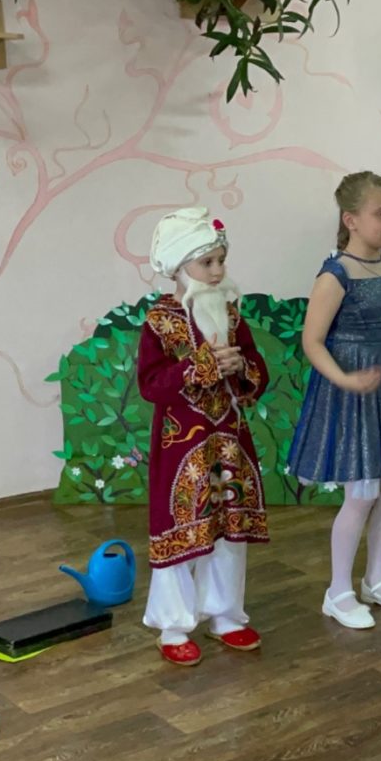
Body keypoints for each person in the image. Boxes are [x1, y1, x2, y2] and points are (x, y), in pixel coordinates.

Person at [288, 171, 381, 630]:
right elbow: (312, 341)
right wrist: (344, 379)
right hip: (350, 390)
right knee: (362, 492)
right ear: (351, 220)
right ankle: (338, 591)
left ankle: (377, 579)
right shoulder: (335, 275)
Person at [139, 207, 269, 667]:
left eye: (221, 261)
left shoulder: (230, 315)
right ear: (179, 267)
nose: (217, 272)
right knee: (181, 532)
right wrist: (199, 367)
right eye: (206, 263)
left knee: (230, 529)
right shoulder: (159, 321)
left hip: (229, 442)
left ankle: (227, 617)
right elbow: (151, 385)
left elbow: (256, 367)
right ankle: (173, 626)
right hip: (181, 451)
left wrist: (242, 367)